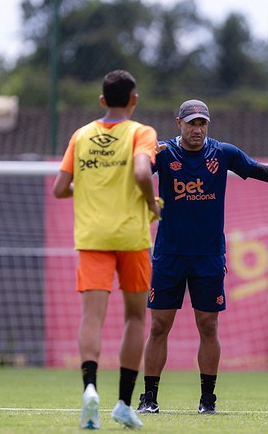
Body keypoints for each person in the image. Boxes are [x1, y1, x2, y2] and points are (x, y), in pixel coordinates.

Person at [136, 99, 268, 415]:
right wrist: (143, 151)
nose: (197, 129)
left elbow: (261, 171)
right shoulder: (164, 153)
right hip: (169, 255)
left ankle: (207, 400)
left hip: (209, 256)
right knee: (159, 327)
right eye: (191, 123)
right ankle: (149, 398)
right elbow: (137, 172)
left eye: (202, 123)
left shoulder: (222, 153)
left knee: (208, 326)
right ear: (178, 123)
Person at [52, 69, 162, 430]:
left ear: (102, 100)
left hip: (93, 237)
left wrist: (89, 187)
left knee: (92, 317)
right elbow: (144, 173)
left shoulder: (80, 135)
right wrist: (152, 205)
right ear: (134, 99)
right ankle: (124, 404)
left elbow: (60, 187)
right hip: (131, 236)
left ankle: (89, 389)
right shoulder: (140, 132)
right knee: (134, 317)